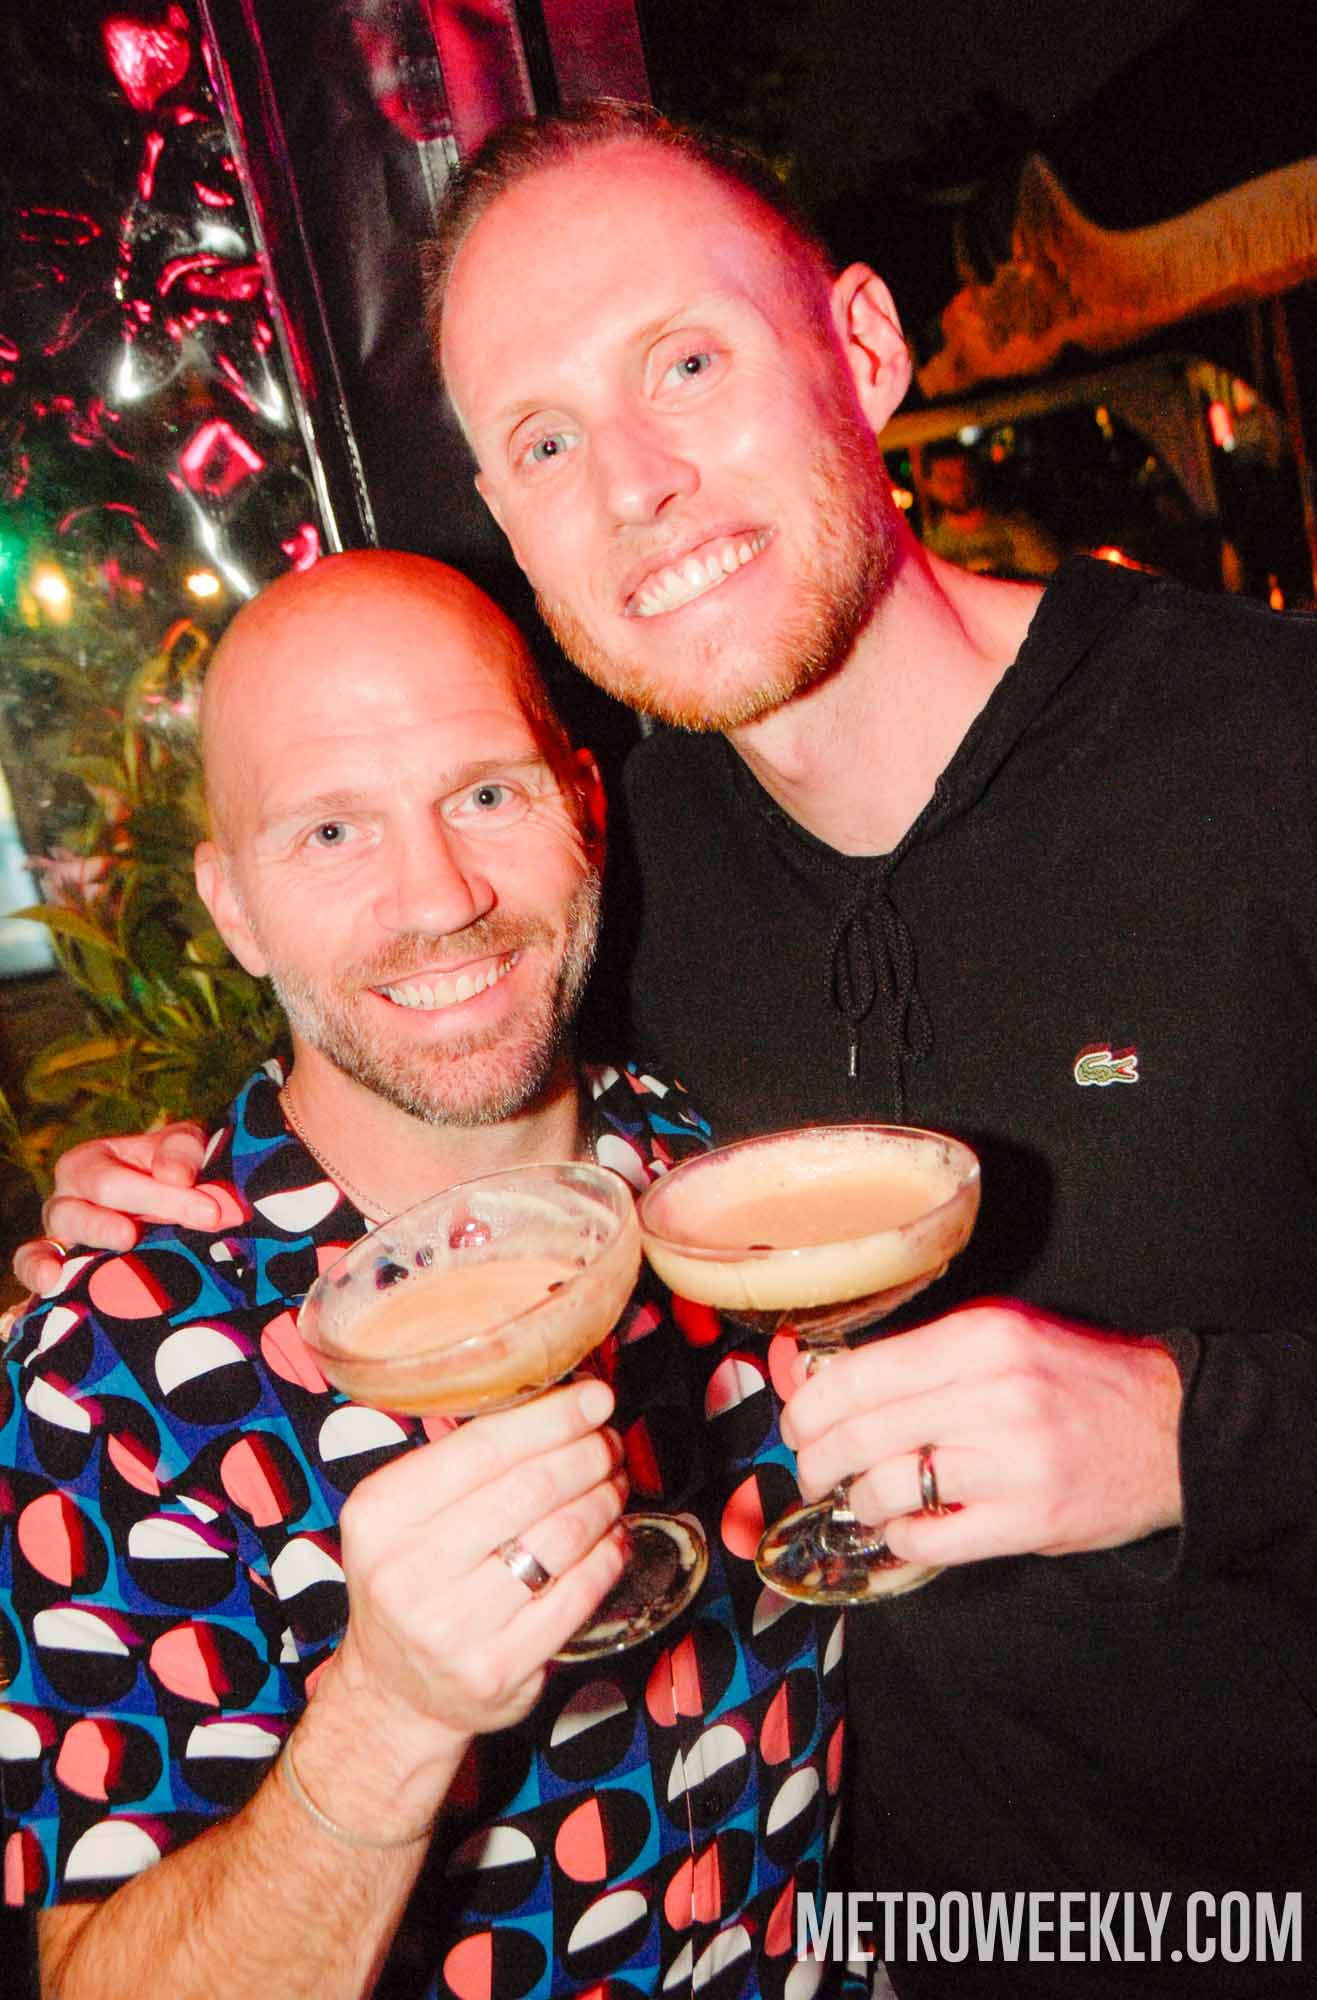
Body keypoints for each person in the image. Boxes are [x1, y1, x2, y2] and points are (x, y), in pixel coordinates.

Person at [18, 102, 1317, 1994]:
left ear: (860, 348)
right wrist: (146, 1208)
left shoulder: (1286, 755)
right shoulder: (614, 891)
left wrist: (1188, 1440)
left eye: (686, 364)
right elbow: (415, 1020)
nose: (631, 483)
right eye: (544, 440)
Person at [0, 549, 848, 2000]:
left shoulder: (714, 1182)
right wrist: (387, 1717)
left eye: (486, 794)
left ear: (583, 807)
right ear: (235, 908)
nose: (439, 896)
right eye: (332, 831)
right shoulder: (115, 1372)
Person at [918, 441, 1062, 580]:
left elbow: (1049, 577)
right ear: (928, 485)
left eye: (967, 474)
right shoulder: (929, 547)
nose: (959, 486)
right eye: (947, 480)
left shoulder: (1016, 530)